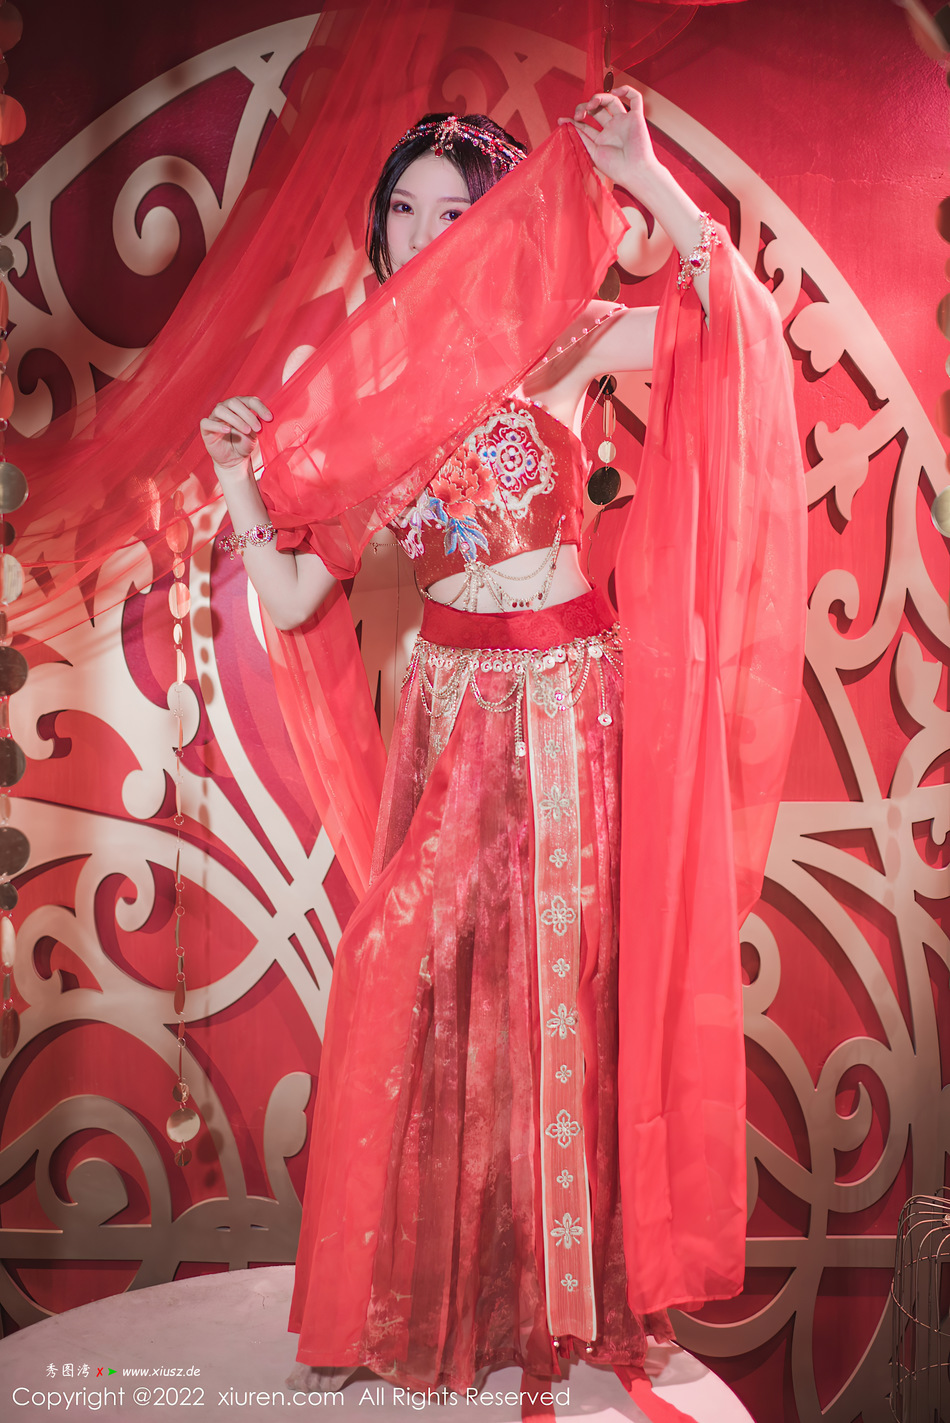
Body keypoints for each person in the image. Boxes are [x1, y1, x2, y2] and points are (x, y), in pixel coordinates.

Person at [198, 91, 796, 1394]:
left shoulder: (556, 343)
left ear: (499, 225)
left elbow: (730, 323)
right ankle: (417, 1303)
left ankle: (575, 1303)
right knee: (410, 969)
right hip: (450, 709)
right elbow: (293, 598)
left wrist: (646, 178)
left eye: (454, 210)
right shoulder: (359, 397)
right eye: (403, 210)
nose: (424, 234)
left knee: (567, 981)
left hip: (574, 705)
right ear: (378, 230)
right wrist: (241, 484)